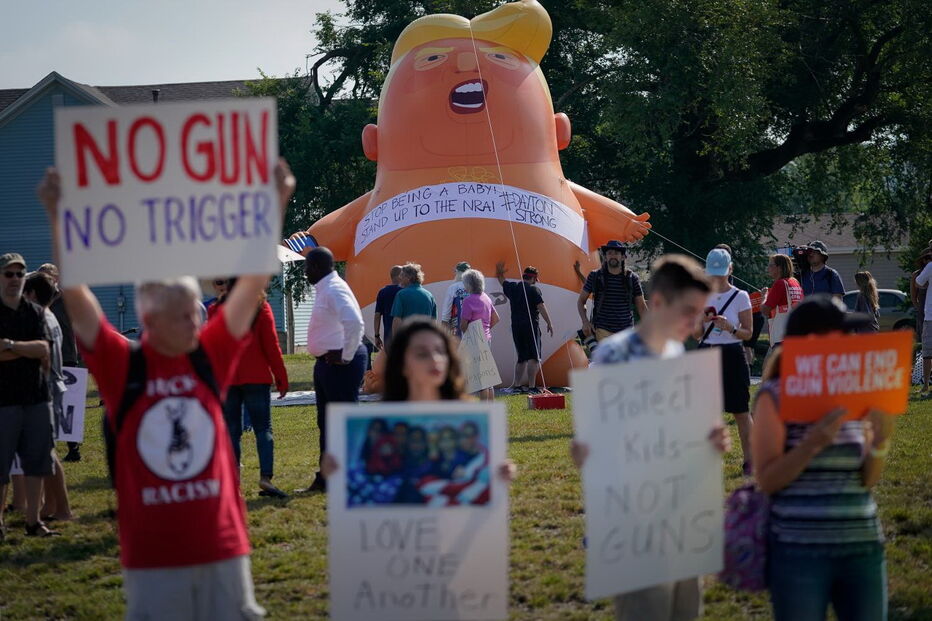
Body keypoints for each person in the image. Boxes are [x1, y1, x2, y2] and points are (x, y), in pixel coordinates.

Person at [36, 161, 295, 618]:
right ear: (150, 318)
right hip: (153, 556)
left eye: (197, 312)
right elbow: (76, 295)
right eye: (183, 315)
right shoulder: (123, 363)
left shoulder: (208, 353)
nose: (197, 322)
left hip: (222, 546)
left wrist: (275, 202)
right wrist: (58, 215)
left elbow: (254, 279)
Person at [570, 255, 731, 621]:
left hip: (683, 521)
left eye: (699, 313)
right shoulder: (614, 356)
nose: (696, 324)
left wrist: (709, 442)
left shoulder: (676, 354)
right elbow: (595, 444)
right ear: (657, 303)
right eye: (688, 312)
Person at [753, 295, 891, 621]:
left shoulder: (856, 392)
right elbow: (767, 481)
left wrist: (879, 443)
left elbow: (866, 480)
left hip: (862, 546)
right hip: (799, 550)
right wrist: (812, 444)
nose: (849, 339)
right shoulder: (775, 395)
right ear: (812, 341)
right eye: (841, 332)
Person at [322, 318, 515, 484]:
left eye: (440, 351)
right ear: (402, 365)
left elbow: (476, 474)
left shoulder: (470, 418)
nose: (435, 359)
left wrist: (497, 475)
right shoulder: (379, 425)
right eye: (422, 353)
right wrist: (340, 473)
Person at [300, 246, 367, 493]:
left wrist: (346, 356)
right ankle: (327, 478)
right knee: (327, 423)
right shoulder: (325, 288)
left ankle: (353, 478)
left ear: (317, 267)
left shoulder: (334, 288)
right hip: (327, 363)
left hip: (340, 364)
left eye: (307, 267)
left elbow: (354, 322)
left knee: (341, 422)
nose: (305, 272)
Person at [216, 278, 290, 499]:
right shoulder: (261, 307)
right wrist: (281, 377)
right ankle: (265, 478)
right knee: (263, 429)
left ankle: (234, 483)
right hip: (257, 377)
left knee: (232, 432)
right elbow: (272, 346)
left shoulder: (217, 309)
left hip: (229, 378)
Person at [0, 252, 54, 540]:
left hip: (36, 397)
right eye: (9, 274)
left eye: (20, 274)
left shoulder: (34, 311)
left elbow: (44, 349)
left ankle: (33, 521)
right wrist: (28, 350)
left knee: (37, 462)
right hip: (4, 401)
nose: (15, 279)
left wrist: (10, 345)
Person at [695, 247, 754, 471]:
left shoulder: (740, 296)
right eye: (714, 274)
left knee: (741, 411)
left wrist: (731, 328)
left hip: (732, 354)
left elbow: (748, 333)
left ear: (730, 269)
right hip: (707, 353)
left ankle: (750, 460)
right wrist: (701, 320)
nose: (717, 278)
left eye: (721, 273)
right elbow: (696, 334)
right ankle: (710, 460)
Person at [23, 272, 73, 523]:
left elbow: (39, 358)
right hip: (54, 386)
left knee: (45, 451)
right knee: (45, 450)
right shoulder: (49, 315)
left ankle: (62, 508)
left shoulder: (40, 318)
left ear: (32, 294)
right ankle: (50, 506)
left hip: (46, 388)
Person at [35, 263, 82, 463]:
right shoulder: (36, 301)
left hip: (66, 354)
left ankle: (73, 448)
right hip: (44, 357)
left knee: (70, 403)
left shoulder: (67, 298)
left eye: (48, 278)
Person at [495, 262, 554, 393]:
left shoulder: (513, 287)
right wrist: (549, 323)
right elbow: (541, 307)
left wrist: (500, 272)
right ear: (533, 278)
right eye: (535, 280)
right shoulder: (534, 290)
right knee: (533, 357)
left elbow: (502, 281)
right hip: (531, 325)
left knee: (521, 358)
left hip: (516, 326)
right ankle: (532, 387)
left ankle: (517, 386)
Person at [578, 240, 647, 342]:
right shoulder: (595, 276)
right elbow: (581, 301)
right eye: (609, 253)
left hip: (626, 333)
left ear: (623, 257)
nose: (613, 256)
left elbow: (641, 307)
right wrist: (585, 322)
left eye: (616, 253)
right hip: (602, 331)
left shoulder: (632, 278)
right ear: (605, 257)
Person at [459, 269, 500, 401]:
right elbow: (496, 318)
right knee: (488, 374)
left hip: (474, 340)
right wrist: (486, 330)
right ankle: (491, 405)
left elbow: (463, 324)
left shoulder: (468, 301)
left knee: (479, 376)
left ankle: (483, 407)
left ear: (468, 284)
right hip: (486, 338)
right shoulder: (486, 297)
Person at [760, 253, 803, 348]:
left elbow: (765, 310)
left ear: (779, 268)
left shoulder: (780, 284)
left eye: (771, 265)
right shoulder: (795, 282)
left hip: (782, 338)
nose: (768, 268)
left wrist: (764, 296)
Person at [391, 263, 437, 335]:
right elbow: (433, 322)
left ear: (409, 278)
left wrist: (396, 340)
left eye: (402, 275)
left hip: (407, 338)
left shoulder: (401, 294)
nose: (400, 277)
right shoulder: (430, 295)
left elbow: (397, 319)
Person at [373, 265, 403, 351]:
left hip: (388, 336)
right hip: (404, 334)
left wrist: (376, 335)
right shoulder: (405, 291)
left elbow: (377, 315)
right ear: (400, 276)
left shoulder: (383, 292)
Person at [440, 261, 471, 337]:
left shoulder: (453, 288)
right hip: (474, 330)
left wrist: (442, 330)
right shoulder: (476, 288)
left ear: (458, 273)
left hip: (458, 329)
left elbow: (446, 313)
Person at [915, 254, 932, 396]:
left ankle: (926, 385)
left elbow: (918, 282)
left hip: (931, 316)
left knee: (927, 353)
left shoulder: (930, 266)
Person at [910, 252, 929, 345]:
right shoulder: (917, 274)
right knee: (924, 337)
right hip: (923, 309)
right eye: (928, 258)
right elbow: (913, 296)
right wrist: (918, 308)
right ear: (924, 260)